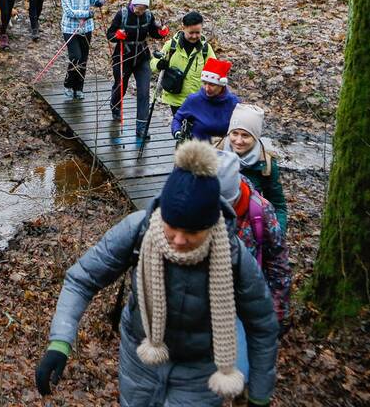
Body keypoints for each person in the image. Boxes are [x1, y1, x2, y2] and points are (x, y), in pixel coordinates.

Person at [35, 140, 279, 406]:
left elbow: (262, 324)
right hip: (140, 359)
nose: (178, 240)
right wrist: (60, 341)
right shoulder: (140, 229)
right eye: (172, 227)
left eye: (192, 233)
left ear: (211, 226)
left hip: (199, 373)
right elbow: (82, 279)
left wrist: (259, 393)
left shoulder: (233, 254)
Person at [216, 147, 291, 325]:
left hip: (246, 299)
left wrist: (276, 312)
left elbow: (278, 263)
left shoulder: (260, 211)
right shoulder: (194, 203)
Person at [215, 105, 288, 232]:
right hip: (217, 227)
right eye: (234, 133)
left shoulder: (266, 164)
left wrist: (278, 233)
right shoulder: (213, 154)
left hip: (251, 229)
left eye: (245, 135)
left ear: (255, 137)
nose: (238, 141)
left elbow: (278, 204)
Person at [106, 0, 169, 137]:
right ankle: (115, 106)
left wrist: (161, 33)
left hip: (142, 57)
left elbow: (153, 32)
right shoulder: (122, 14)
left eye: (142, 8)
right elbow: (110, 34)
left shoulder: (148, 15)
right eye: (136, 7)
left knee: (144, 91)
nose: (139, 11)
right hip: (123, 56)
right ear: (132, 3)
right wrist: (117, 35)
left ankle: (141, 127)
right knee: (121, 85)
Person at [152, 10, 216, 114]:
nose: (194, 36)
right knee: (180, 127)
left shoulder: (205, 49)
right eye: (191, 32)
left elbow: (214, 70)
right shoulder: (172, 45)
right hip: (176, 99)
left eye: (198, 32)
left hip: (197, 99)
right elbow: (153, 63)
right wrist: (159, 64)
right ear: (183, 28)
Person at [60, 0, 102, 100]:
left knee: (83, 59)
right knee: (75, 57)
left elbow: (93, 0)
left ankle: (79, 88)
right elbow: (68, 11)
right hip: (70, 28)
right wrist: (86, 14)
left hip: (86, 28)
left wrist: (98, 3)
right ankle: (68, 85)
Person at [172, 58, 239, 142]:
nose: (207, 88)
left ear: (221, 85)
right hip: (199, 149)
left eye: (212, 84)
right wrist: (177, 131)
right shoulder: (194, 100)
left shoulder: (233, 102)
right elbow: (177, 119)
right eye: (204, 83)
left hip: (225, 150)